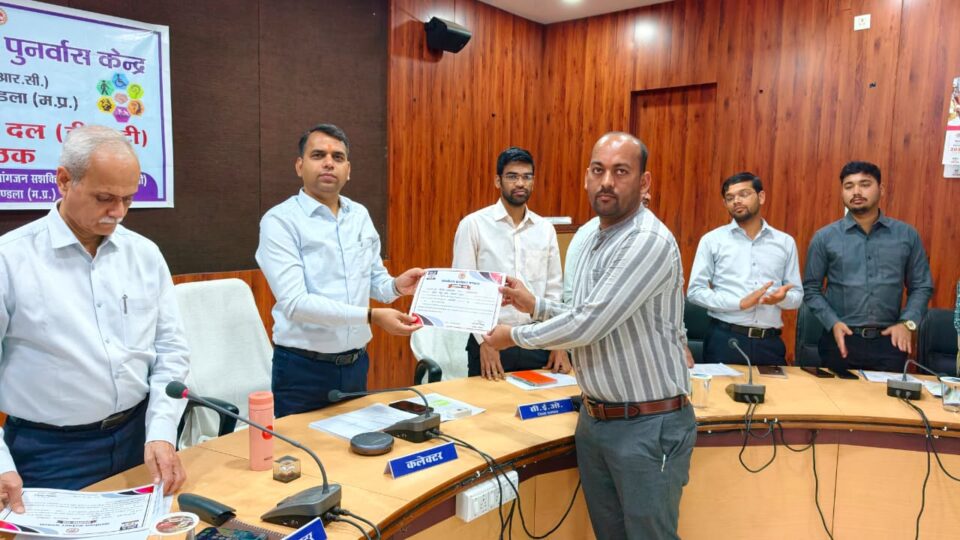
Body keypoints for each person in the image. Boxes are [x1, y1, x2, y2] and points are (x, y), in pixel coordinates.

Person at [485, 132, 694, 540]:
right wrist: (536, 305)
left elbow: (588, 324)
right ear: (586, 177)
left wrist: (515, 335)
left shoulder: (646, 240)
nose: (607, 182)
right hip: (597, 420)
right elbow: (584, 312)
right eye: (598, 170)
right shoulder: (595, 239)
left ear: (644, 182)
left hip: (648, 424)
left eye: (621, 171)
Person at [0, 125, 190, 512]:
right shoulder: (11, 259)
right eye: (104, 198)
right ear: (64, 180)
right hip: (50, 452)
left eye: (128, 199)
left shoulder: (144, 254)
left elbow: (170, 349)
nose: (118, 212)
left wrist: (161, 430)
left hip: (139, 436)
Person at [256, 124, 424, 418]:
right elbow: (295, 303)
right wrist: (372, 316)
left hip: (356, 365)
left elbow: (374, 280)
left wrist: (397, 285)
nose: (328, 163)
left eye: (338, 157)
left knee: (354, 443)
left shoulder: (359, 215)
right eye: (318, 155)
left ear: (348, 170)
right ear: (299, 166)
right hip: (302, 370)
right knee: (301, 448)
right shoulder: (280, 221)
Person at [803, 161, 933, 372]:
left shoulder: (906, 235)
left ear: (881, 189)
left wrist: (907, 324)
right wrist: (832, 322)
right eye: (849, 186)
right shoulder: (824, 238)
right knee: (836, 394)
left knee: (888, 395)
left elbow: (921, 286)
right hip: (840, 340)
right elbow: (811, 289)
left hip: (890, 342)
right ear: (842, 192)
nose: (856, 191)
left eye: (864, 184)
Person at [452, 146, 569, 380]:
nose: (520, 183)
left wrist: (559, 343)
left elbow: (554, 291)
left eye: (527, 177)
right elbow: (463, 291)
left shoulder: (545, 229)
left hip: (537, 341)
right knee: (490, 403)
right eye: (512, 176)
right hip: (492, 343)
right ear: (498, 181)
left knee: (545, 403)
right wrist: (484, 341)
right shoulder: (474, 225)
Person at [687, 172, 802, 366]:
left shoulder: (785, 242)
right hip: (725, 340)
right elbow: (695, 292)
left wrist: (781, 299)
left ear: (761, 197)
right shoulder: (712, 240)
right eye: (730, 198)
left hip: (769, 343)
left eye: (744, 194)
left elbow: (797, 296)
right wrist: (739, 303)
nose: (736, 201)